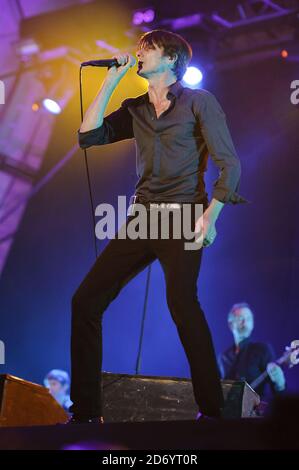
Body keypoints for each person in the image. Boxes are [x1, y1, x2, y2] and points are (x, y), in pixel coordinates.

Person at [70, 29, 245, 423]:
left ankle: (213, 411)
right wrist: (111, 81)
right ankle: (85, 413)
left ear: (170, 59)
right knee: (85, 302)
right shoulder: (137, 109)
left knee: (182, 304)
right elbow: (87, 136)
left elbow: (230, 164)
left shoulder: (199, 102)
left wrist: (209, 216)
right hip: (143, 218)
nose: (138, 54)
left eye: (147, 49)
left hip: (184, 216)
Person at [218, 303, 286, 401]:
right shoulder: (223, 357)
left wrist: (280, 384)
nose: (245, 322)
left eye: (249, 319)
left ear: (253, 324)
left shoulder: (262, 349)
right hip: (228, 415)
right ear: (231, 324)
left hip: (253, 414)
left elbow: (278, 395)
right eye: (241, 318)